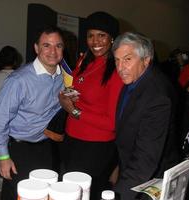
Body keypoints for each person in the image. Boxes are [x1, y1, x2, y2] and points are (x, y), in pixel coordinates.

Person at [0, 26, 65, 200]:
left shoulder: (64, 77)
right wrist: (3, 157)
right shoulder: (19, 80)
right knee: (18, 196)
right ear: (36, 48)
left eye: (58, 46)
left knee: (45, 194)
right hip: (20, 150)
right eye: (46, 45)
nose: (53, 51)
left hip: (47, 147)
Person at [58, 11, 123, 200]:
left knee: (85, 194)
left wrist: (74, 110)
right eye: (90, 35)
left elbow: (112, 123)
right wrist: (67, 96)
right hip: (72, 139)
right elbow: (80, 90)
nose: (95, 41)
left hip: (95, 146)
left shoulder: (116, 70)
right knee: (70, 192)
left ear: (112, 39)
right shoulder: (85, 61)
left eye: (102, 35)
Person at [112, 32, 180, 200]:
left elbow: (145, 160)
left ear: (146, 60)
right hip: (131, 170)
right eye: (117, 60)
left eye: (127, 59)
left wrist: (118, 196)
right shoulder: (134, 80)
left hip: (150, 180)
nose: (120, 67)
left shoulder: (158, 96)